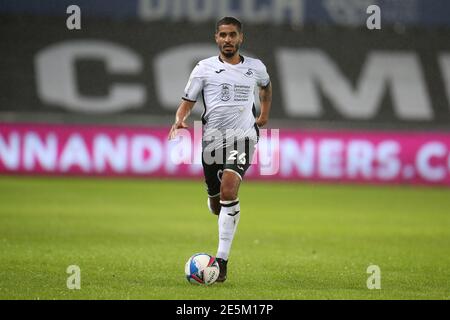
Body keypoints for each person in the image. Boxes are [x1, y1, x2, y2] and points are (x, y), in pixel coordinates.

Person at [168, 17, 272, 282]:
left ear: (241, 38)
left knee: (229, 190)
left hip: (244, 137)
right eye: (223, 35)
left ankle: (222, 261)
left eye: (233, 35)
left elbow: (266, 87)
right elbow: (187, 101)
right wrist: (179, 119)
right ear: (216, 38)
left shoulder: (256, 67)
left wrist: (263, 116)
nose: (228, 39)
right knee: (217, 204)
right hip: (212, 141)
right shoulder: (204, 69)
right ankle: (213, 198)